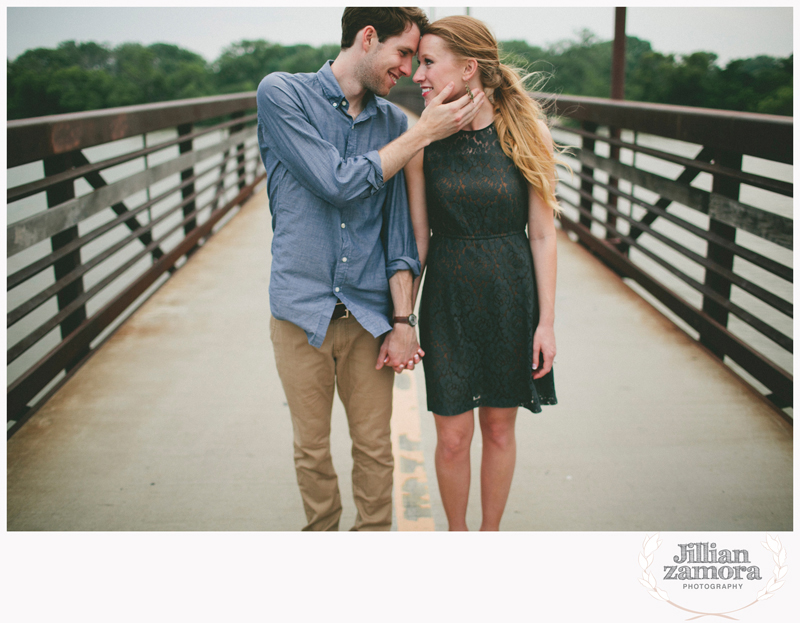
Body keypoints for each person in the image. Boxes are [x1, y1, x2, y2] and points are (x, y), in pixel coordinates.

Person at [256, 7, 486, 531]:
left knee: (376, 448)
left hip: (367, 315)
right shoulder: (282, 94)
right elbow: (335, 181)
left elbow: (399, 236)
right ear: (366, 38)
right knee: (311, 449)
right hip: (299, 309)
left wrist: (404, 323)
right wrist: (420, 135)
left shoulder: (390, 122)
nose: (407, 68)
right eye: (403, 52)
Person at [405, 15, 559, 531]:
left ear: (468, 68)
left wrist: (547, 323)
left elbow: (542, 233)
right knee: (452, 436)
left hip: (510, 297)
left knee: (498, 428)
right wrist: (403, 318)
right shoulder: (423, 139)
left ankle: (490, 537)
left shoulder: (524, 131)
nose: (417, 74)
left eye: (428, 62)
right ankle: (458, 537)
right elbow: (419, 241)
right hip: (447, 299)